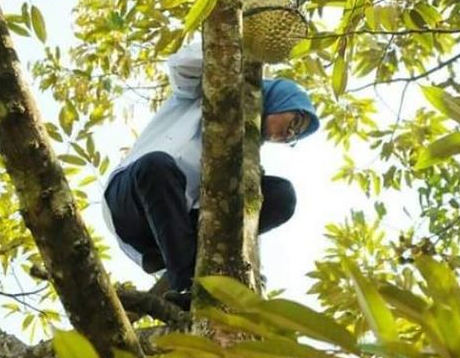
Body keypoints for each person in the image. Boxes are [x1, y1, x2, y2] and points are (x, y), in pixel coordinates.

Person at [101, 41, 320, 308]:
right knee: (156, 166)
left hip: (182, 223)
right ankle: (185, 283)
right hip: (131, 202)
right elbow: (181, 66)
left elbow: (244, 208)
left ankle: (204, 266)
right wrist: (237, 58)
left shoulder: (246, 159)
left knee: (281, 195)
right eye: (295, 122)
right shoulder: (203, 91)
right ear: (281, 98)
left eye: (297, 135)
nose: (290, 134)